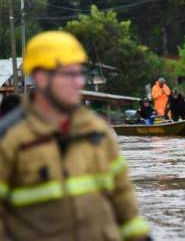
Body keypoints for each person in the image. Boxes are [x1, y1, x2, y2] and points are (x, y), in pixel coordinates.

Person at [0, 31, 150, 241]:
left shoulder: (98, 132)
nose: (79, 83)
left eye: (80, 74)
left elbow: (125, 207)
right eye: (69, 74)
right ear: (42, 77)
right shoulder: (8, 138)